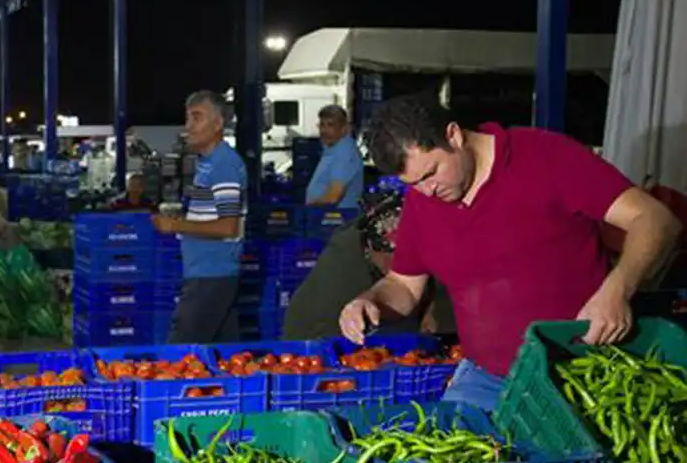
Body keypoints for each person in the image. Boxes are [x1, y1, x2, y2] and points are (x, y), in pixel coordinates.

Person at [340, 94, 682, 411]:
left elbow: (655, 219)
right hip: (485, 380)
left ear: (454, 135)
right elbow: (404, 285)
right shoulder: (422, 200)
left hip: (578, 373)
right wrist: (370, 301)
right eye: (413, 183)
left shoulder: (547, 157)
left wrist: (617, 289)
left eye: (431, 174)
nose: (427, 191)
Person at [283, 185, 454, 340]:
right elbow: (402, 286)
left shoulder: (434, 237)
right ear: (372, 249)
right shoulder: (343, 267)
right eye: (396, 257)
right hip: (319, 337)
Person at [152, 90, 248, 343]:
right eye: (188, 118)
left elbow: (229, 227)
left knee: (179, 354)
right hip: (208, 274)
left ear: (218, 124)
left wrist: (175, 225)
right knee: (226, 356)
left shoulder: (224, 164)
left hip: (211, 276)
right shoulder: (208, 163)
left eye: (197, 118)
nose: (189, 126)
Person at [305, 104, 365, 209]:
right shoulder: (331, 149)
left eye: (330, 125)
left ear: (344, 128)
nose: (324, 130)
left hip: (338, 217)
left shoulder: (345, 152)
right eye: (322, 125)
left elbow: (333, 196)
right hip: (324, 216)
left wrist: (308, 208)